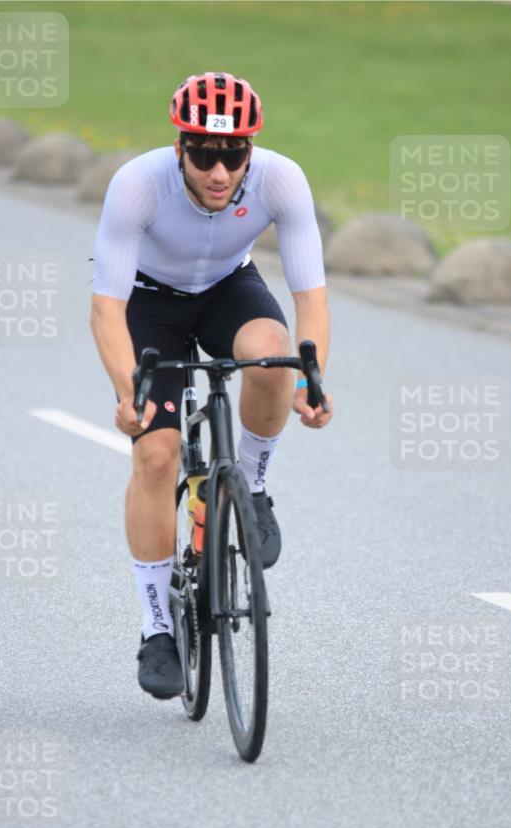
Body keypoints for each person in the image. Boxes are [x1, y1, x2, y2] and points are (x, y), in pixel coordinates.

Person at [90, 71, 333, 699]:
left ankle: (251, 486)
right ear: (180, 149)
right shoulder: (139, 185)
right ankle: (157, 629)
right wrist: (130, 393)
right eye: (203, 156)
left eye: (233, 156)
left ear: (251, 149)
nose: (219, 173)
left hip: (227, 288)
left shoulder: (281, 179)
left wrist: (312, 380)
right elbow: (107, 309)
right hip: (150, 303)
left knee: (273, 357)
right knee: (155, 453)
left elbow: (311, 297)